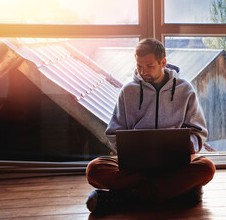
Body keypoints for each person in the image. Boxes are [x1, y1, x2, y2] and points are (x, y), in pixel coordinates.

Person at [85, 38, 215, 213]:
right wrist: (128, 150)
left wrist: (185, 146)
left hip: (174, 163)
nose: (142, 71)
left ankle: (125, 198)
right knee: (94, 169)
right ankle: (173, 192)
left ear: (163, 62)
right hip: (136, 166)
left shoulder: (185, 90)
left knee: (206, 167)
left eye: (149, 66)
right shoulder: (128, 91)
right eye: (139, 66)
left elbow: (199, 132)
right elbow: (114, 132)